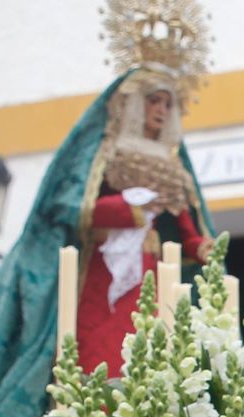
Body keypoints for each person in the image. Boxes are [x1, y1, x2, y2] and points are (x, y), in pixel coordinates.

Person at [76, 73, 214, 375]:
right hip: (106, 268)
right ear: (136, 104)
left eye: (168, 104)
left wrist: (204, 248)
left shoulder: (171, 163)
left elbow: (186, 231)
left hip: (151, 269)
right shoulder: (109, 152)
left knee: (150, 347)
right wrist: (130, 208)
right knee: (103, 350)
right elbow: (79, 209)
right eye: (154, 101)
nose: (162, 110)